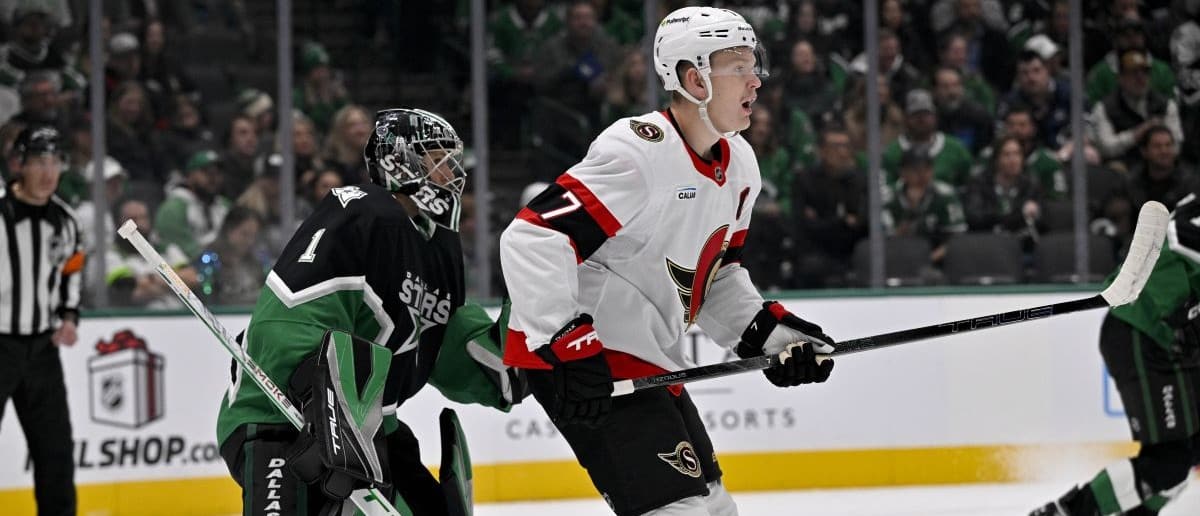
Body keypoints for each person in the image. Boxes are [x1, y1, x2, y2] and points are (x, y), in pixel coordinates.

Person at [499, 7, 836, 516]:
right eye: (738, 67)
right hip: (588, 358)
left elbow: (715, 276)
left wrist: (774, 337)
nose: (756, 81)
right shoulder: (638, 151)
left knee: (714, 507)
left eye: (754, 64)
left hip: (649, 355)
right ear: (693, 77)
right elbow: (533, 236)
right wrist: (568, 342)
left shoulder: (741, 164)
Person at [215, 108, 525, 515]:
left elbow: (441, 340)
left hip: (370, 428)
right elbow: (287, 316)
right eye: (438, 158)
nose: (453, 172)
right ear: (400, 159)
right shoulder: (359, 211)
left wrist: (519, 347)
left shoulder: (440, 246)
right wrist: (327, 410)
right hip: (279, 419)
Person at [1030, 193, 1200, 515]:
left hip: (1170, 341)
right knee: (1170, 460)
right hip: (1143, 333)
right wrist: (1182, 308)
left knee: (1186, 453)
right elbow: (1177, 232)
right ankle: (1067, 512)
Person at [0, 125, 83, 516]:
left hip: (41, 351)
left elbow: (71, 270)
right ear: (20, 165)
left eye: (55, 162)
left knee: (56, 453)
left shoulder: (66, 222)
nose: (49, 172)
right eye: (39, 162)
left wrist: (68, 315)